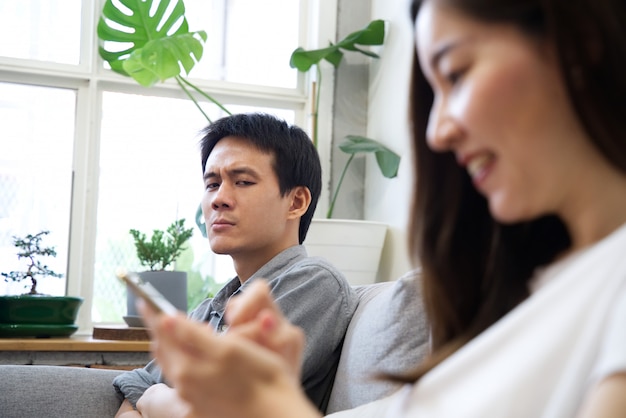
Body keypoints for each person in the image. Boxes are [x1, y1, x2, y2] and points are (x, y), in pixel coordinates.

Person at [138, 0, 626, 417]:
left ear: (578, 44)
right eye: (211, 183)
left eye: (456, 73)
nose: (437, 131)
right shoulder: (524, 295)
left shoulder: (612, 289)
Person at [113, 113, 358, 417]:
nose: (219, 199)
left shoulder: (315, 284)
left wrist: (151, 399)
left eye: (242, 182)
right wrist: (155, 397)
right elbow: (134, 388)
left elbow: (218, 408)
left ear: (296, 202)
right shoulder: (208, 311)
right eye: (212, 184)